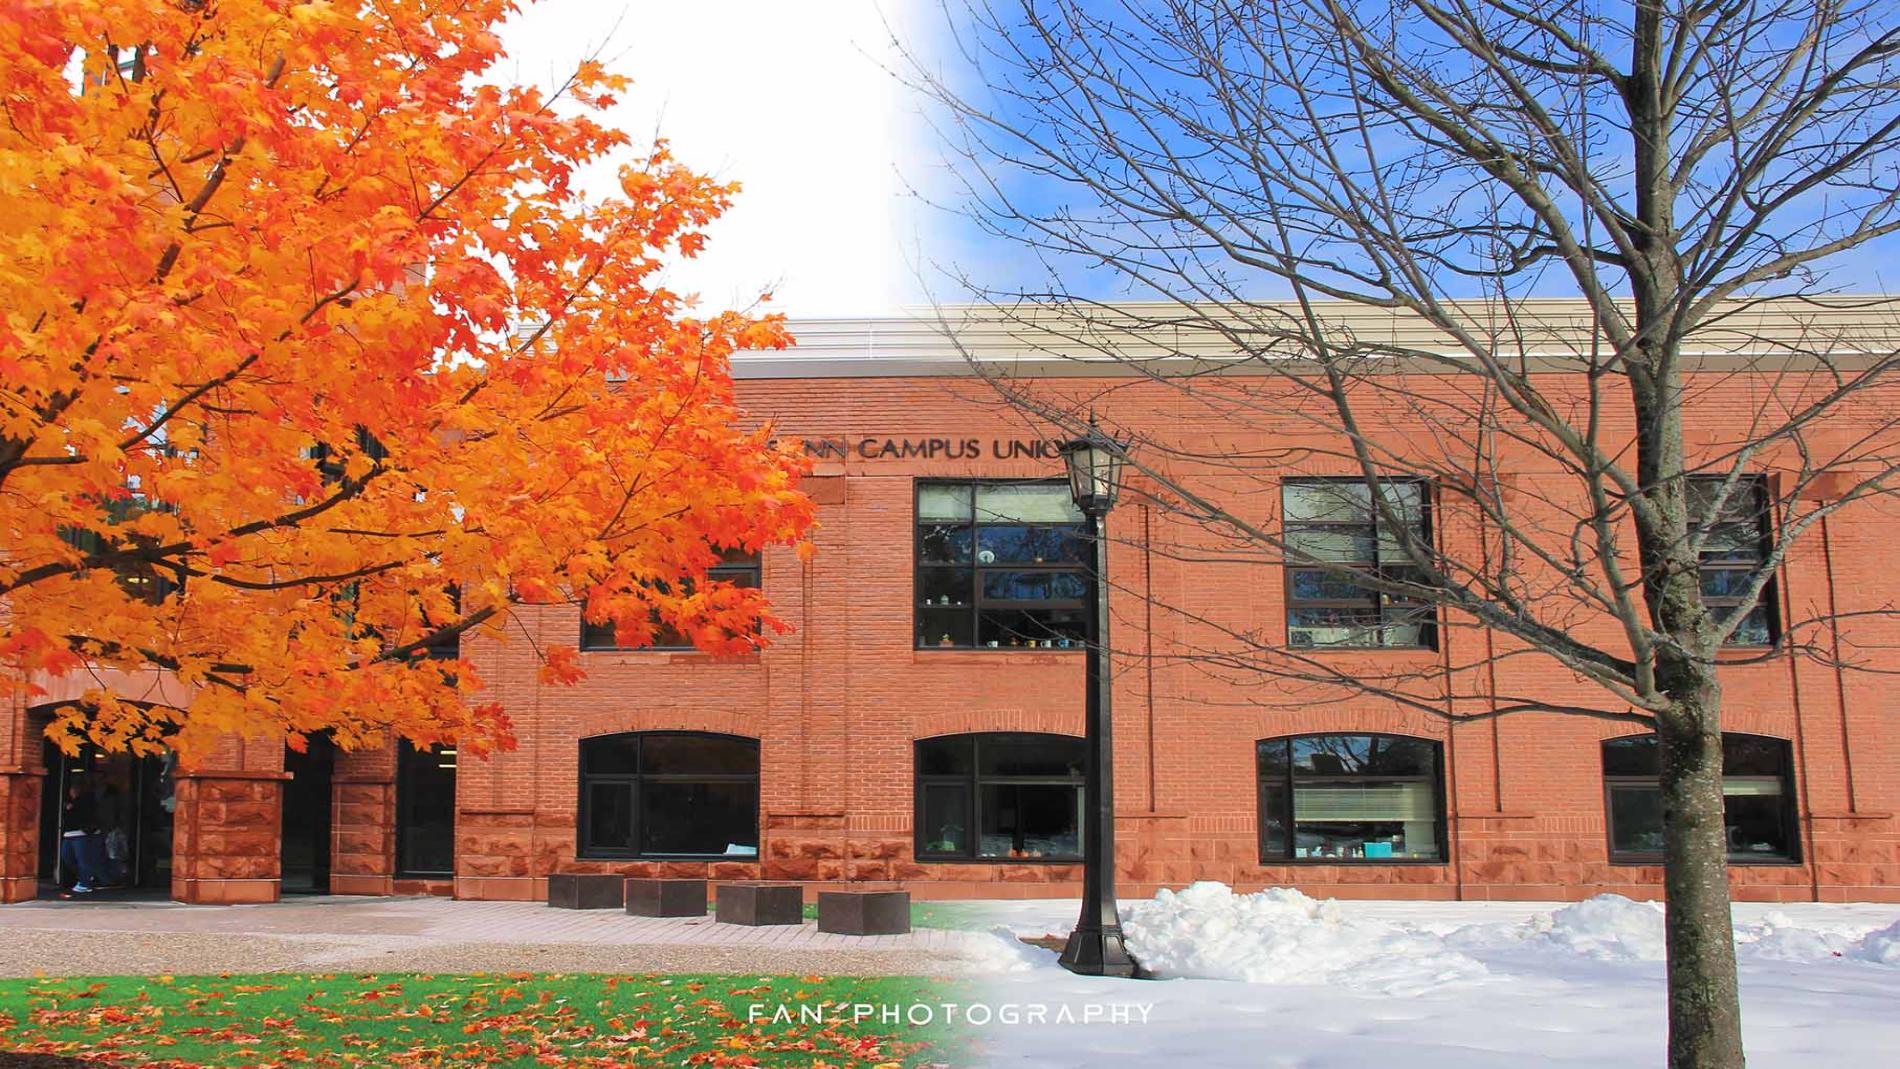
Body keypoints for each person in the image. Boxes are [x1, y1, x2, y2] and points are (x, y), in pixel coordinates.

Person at [59, 782, 106, 894]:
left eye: (75, 790)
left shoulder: (87, 802)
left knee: (83, 860)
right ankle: (86, 877)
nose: (73, 792)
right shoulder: (69, 803)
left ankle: (85, 883)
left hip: (82, 834)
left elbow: (87, 816)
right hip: (69, 834)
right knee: (67, 858)